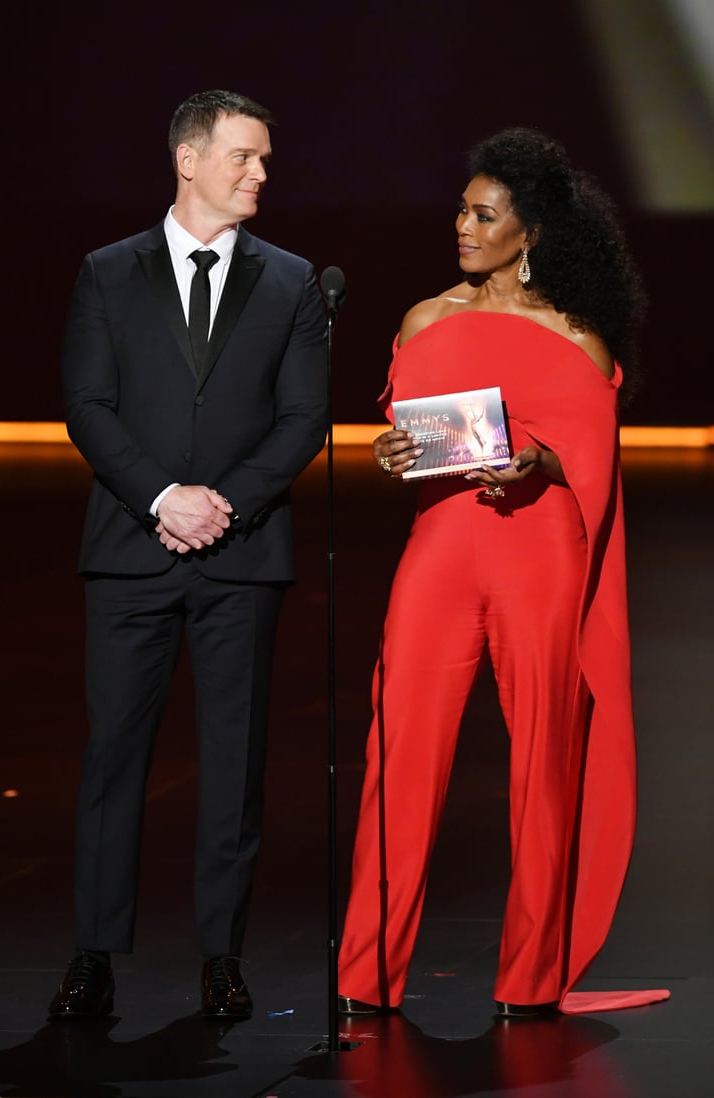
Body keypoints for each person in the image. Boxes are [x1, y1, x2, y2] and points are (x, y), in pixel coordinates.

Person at [336, 128, 670, 1019]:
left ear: (530, 236)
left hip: (539, 557)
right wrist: (389, 450)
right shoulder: (423, 319)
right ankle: (364, 974)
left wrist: (541, 461)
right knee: (397, 752)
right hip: (440, 551)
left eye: (484, 215)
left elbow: (591, 467)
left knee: (543, 767)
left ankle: (530, 980)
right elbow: (408, 441)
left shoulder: (576, 338)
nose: (462, 225)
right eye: (460, 208)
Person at [48, 90, 328, 1022]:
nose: (260, 175)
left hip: (242, 561)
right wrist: (164, 499)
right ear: (189, 159)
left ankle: (223, 956)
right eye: (244, 157)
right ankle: (93, 955)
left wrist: (230, 505)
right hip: (132, 551)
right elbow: (88, 404)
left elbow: (302, 419)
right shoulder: (107, 272)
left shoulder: (290, 282)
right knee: (113, 760)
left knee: (234, 764)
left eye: (265, 161)